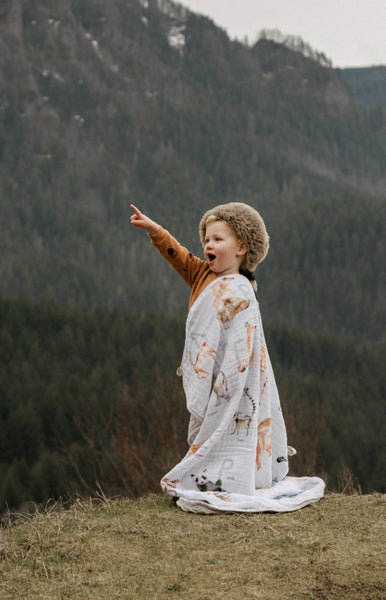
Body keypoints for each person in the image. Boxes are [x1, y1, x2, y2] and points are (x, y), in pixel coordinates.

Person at [130, 202, 325, 513]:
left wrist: (231, 376)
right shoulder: (201, 274)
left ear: (242, 248)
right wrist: (155, 231)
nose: (209, 244)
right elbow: (178, 256)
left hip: (231, 377)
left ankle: (235, 476)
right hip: (205, 370)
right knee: (204, 427)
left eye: (218, 239)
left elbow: (243, 341)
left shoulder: (243, 290)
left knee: (230, 425)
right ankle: (207, 474)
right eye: (207, 238)